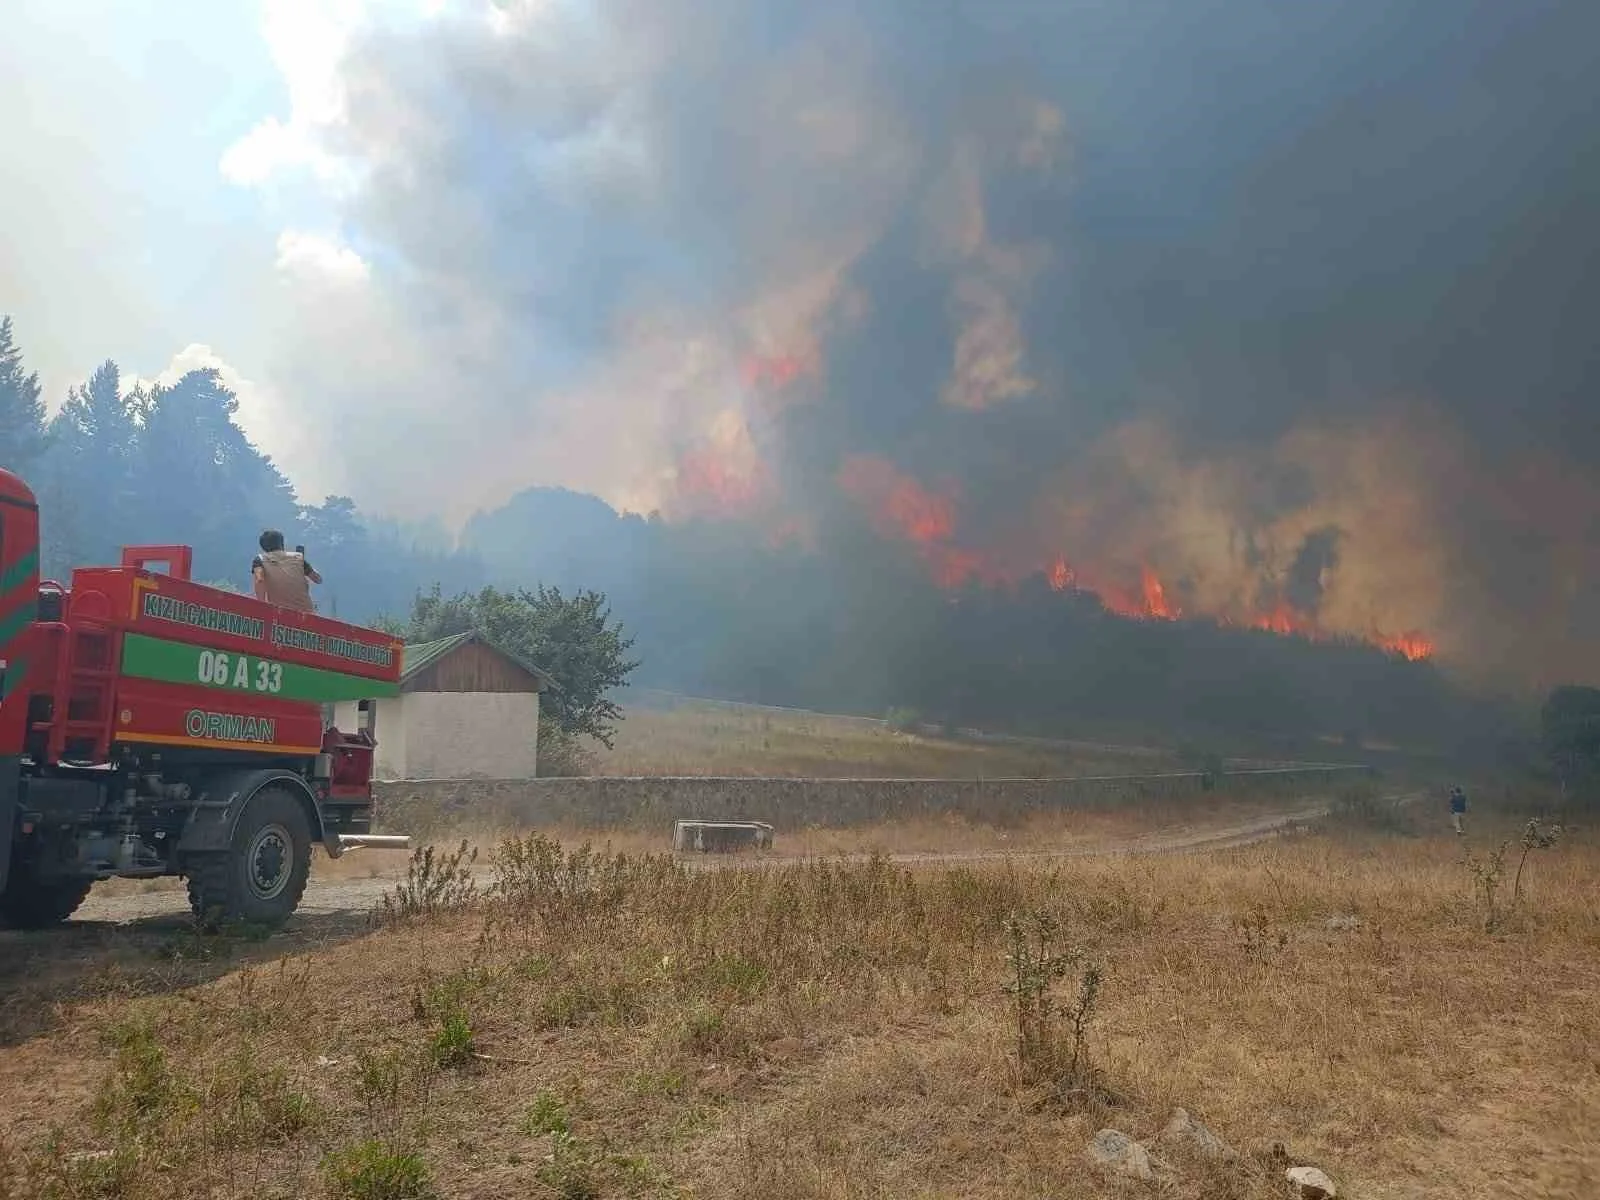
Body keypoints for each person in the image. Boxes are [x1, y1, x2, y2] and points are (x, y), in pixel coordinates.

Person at [251, 529, 321, 612]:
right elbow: (318, 579)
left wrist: (262, 607)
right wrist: (306, 567)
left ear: (263, 547)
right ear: (282, 543)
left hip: (280, 612)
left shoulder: (260, 560)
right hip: (306, 612)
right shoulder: (298, 558)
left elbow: (260, 580)